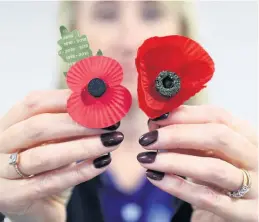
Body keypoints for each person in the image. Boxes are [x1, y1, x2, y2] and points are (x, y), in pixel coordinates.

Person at [0, 1, 257, 222]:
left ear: (182, 30)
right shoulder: (36, 160)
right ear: (75, 32)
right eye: (106, 14)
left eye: (151, 12)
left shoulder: (226, 164)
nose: (129, 41)